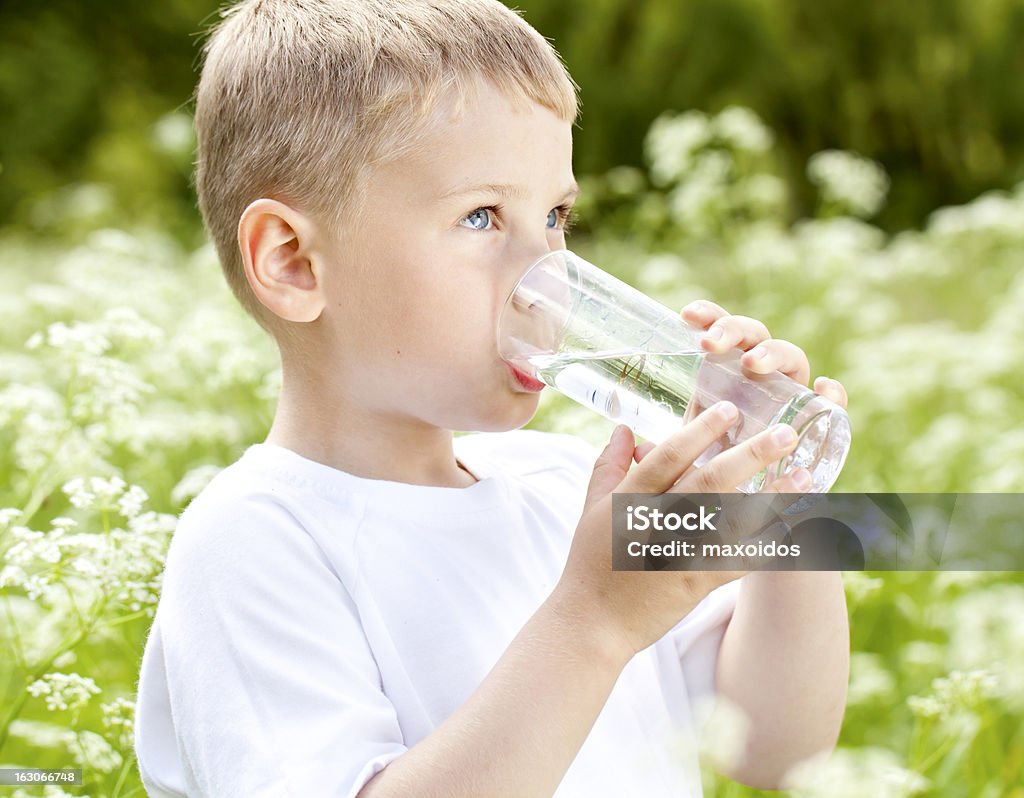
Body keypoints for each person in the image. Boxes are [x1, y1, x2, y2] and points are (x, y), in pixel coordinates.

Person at [133, 1, 850, 795]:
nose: (548, 278)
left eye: (555, 217)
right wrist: (595, 622)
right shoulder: (255, 540)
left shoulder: (564, 487)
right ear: (295, 263)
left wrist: (782, 504)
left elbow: (773, 751)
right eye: (481, 217)